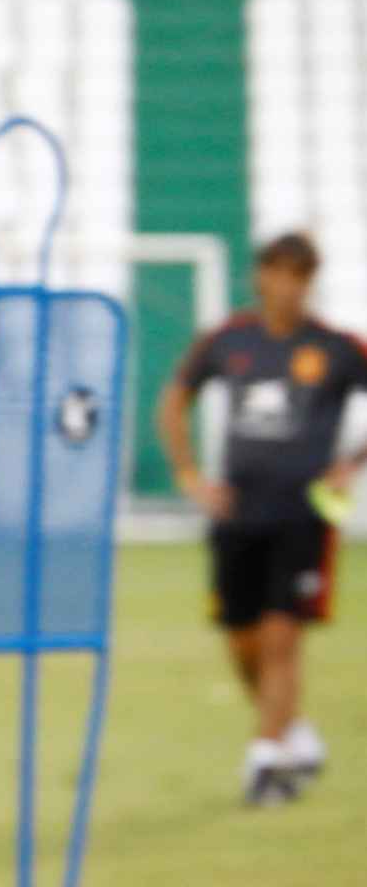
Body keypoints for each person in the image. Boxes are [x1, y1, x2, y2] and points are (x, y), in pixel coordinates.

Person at [157, 231, 366, 806]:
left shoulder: (337, 347)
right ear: (261, 278)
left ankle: (265, 759)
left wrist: (350, 464)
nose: (290, 287)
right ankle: (294, 733)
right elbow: (175, 397)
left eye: (301, 276)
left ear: (310, 283)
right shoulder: (230, 339)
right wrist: (190, 476)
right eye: (280, 273)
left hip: (303, 517)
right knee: (241, 640)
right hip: (237, 512)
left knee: (280, 637)